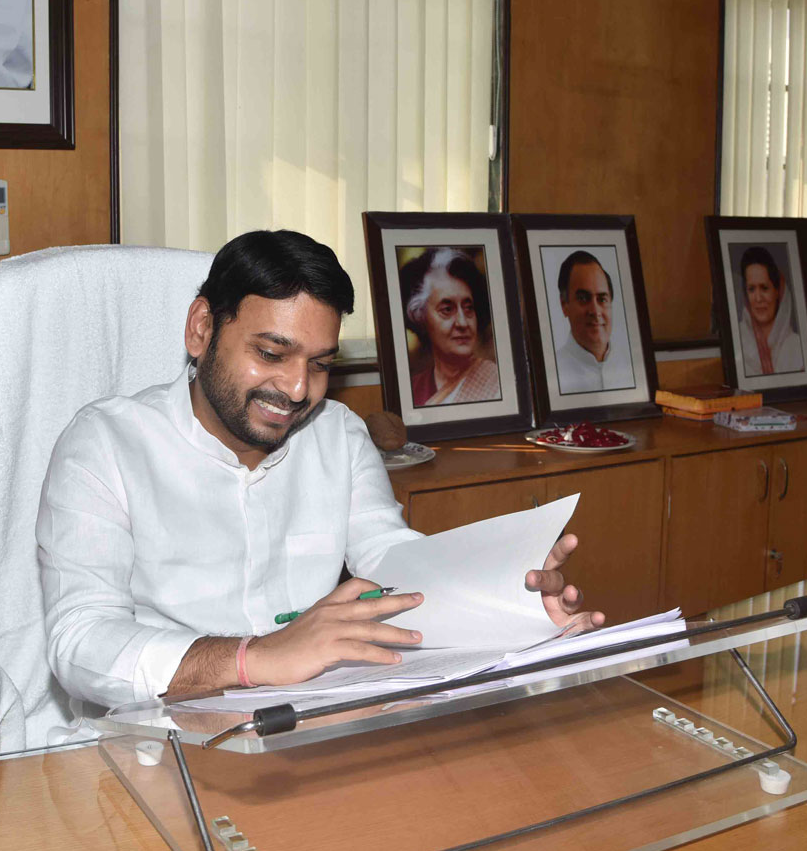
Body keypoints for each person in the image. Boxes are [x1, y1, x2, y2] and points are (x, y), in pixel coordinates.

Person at [37, 230, 602, 707]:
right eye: (271, 354)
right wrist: (253, 658)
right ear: (202, 328)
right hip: (161, 738)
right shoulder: (104, 443)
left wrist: (504, 592)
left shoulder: (337, 434)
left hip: (317, 723)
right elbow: (80, 642)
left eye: (320, 364)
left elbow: (390, 562)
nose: (298, 389)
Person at [401, 248, 501, 407]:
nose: (462, 323)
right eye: (447, 310)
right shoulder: (412, 391)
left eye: (468, 308)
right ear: (420, 317)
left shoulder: (497, 383)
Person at [554, 251, 634, 393]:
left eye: (602, 299)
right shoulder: (552, 373)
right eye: (584, 299)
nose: (595, 311)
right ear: (564, 305)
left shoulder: (634, 367)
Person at [737, 246, 804, 377]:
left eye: (764, 288)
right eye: (751, 289)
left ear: (777, 291)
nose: (758, 298)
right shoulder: (737, 341)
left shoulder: (797, 347)